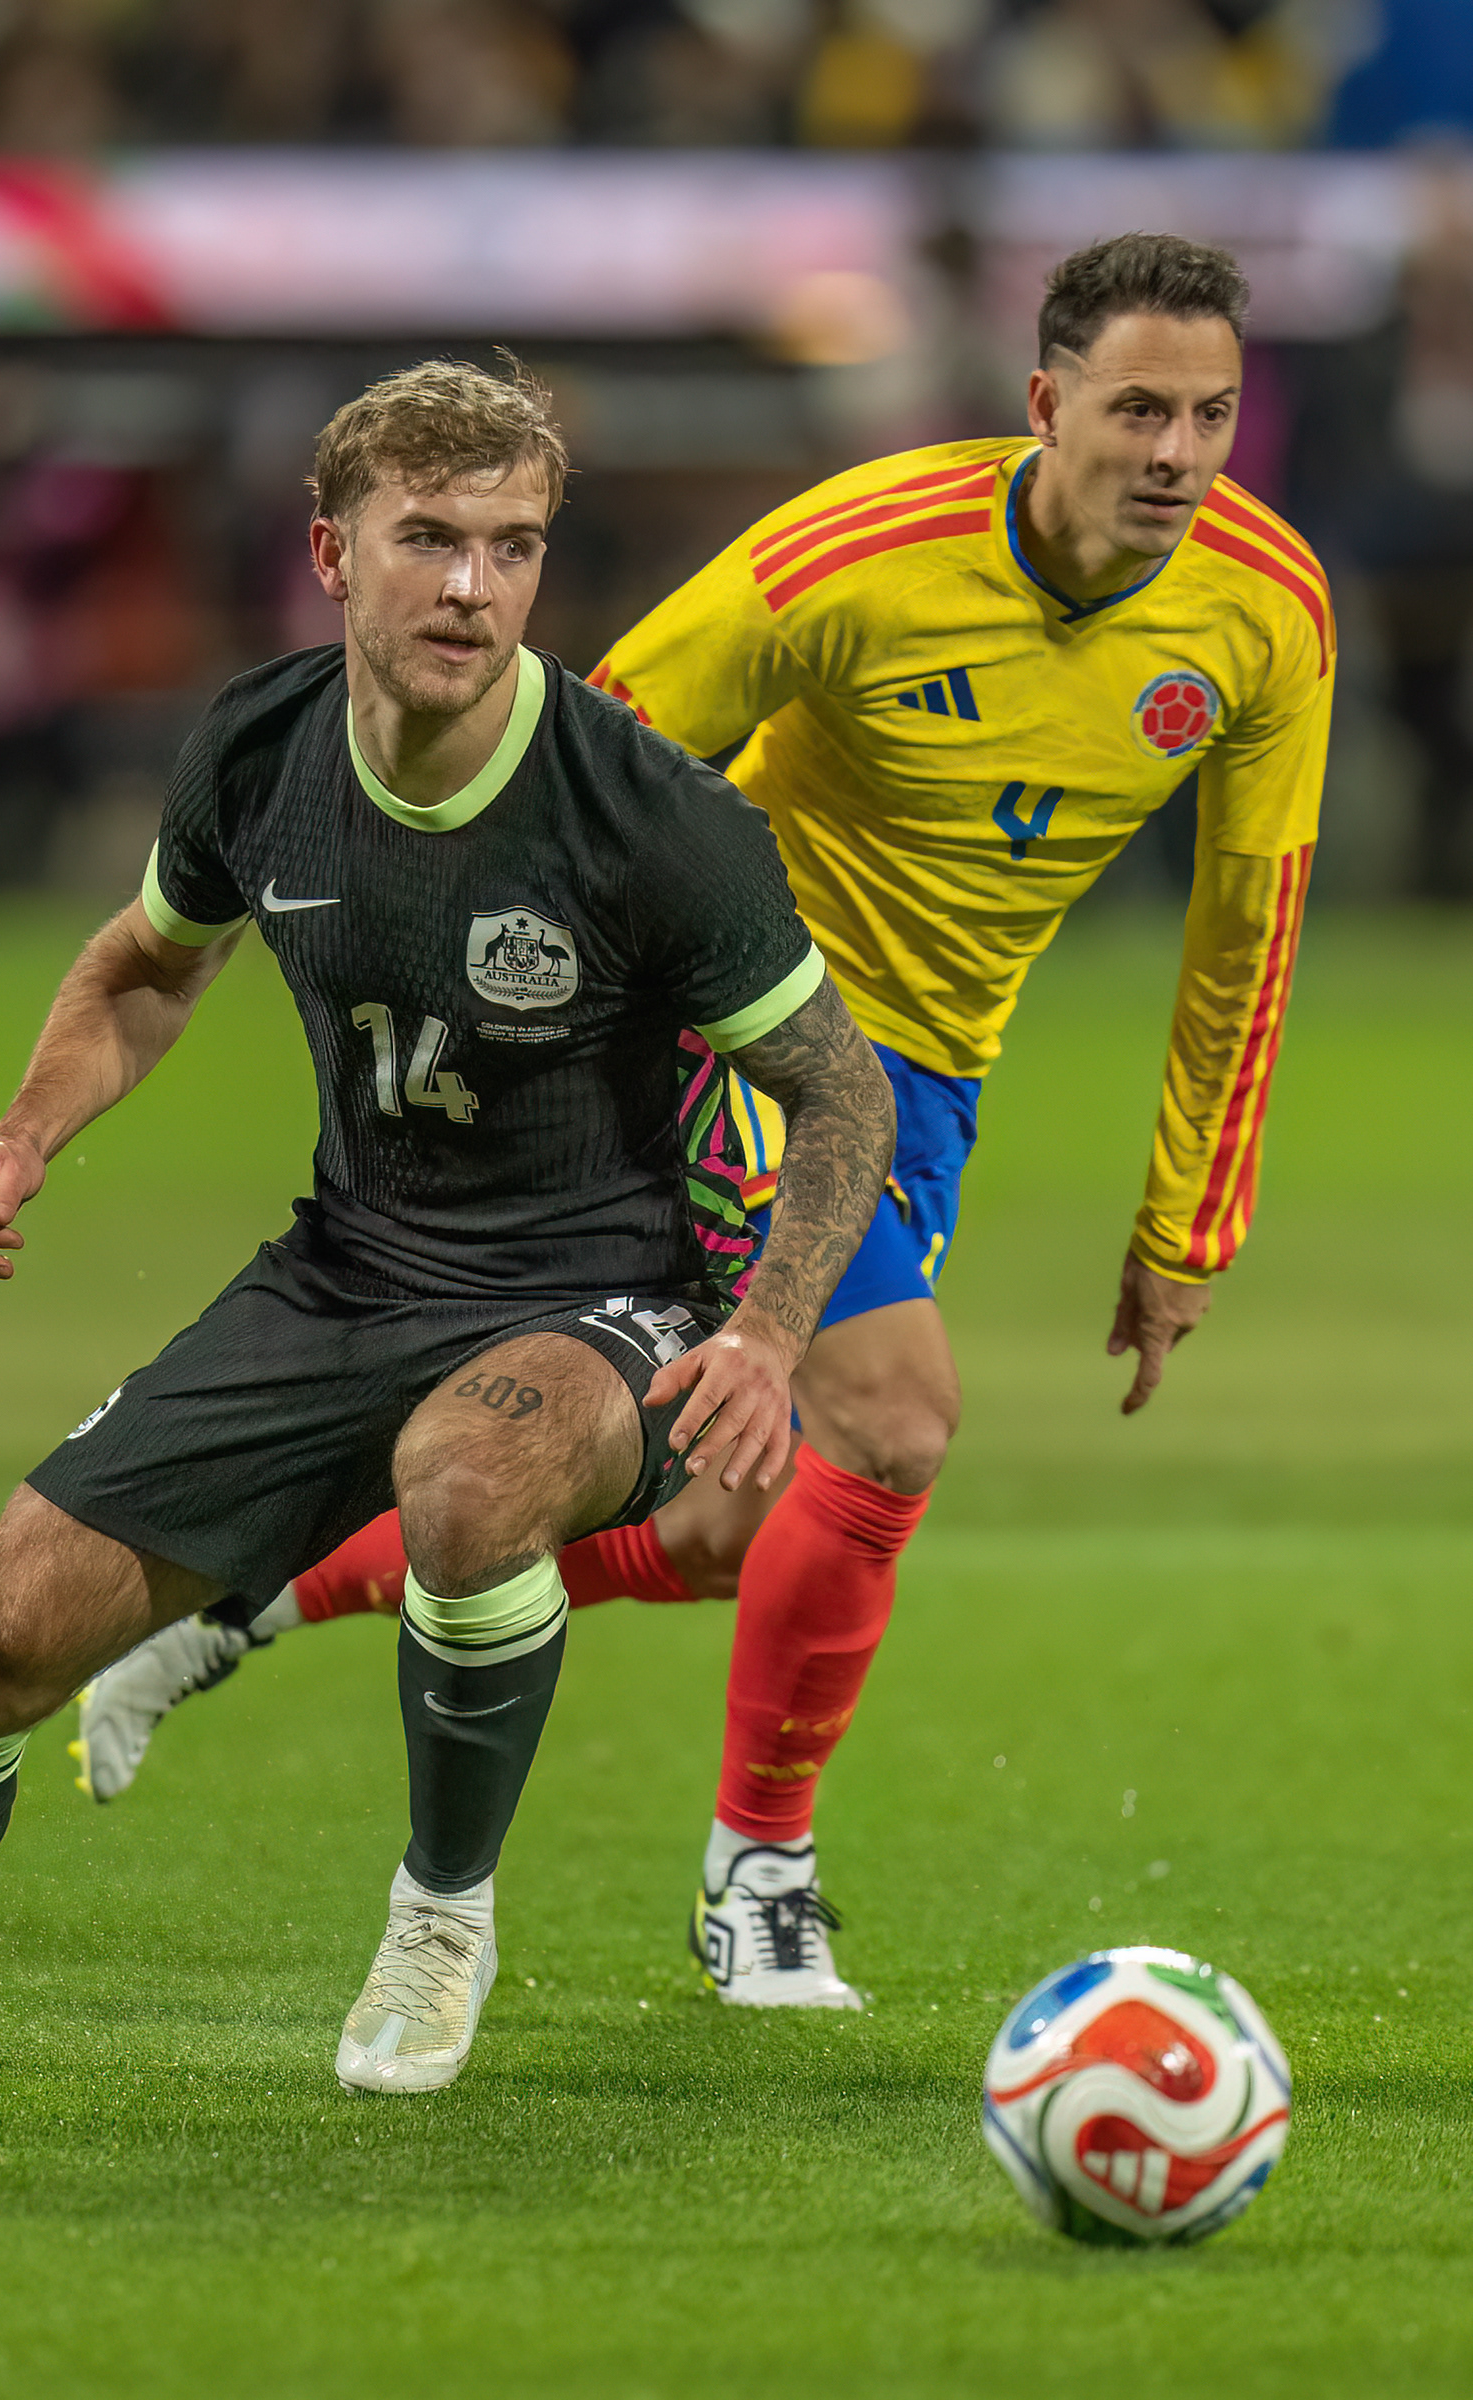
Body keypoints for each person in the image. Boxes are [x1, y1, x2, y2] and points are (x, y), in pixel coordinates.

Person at [80, 233, 1333, 2012]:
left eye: (1210, 415)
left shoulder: (1267, 610)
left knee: (731, 1528)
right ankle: (761, 1881)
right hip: (740, 1036)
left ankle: (259, 1593)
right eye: (1139, 409)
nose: (1179, 455)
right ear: (1047, 403)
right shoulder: (855, 559)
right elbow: (591, 741)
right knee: (893, 1424)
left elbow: (1250, 925)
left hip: (933, 1082)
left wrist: (1189, 1219)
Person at [0, 358, 894, 2092]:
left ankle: (440, 1922)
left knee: (467, 1484)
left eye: (514, 547)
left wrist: (762, 1329)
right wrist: (25, 1135)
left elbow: (846, 1093)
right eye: (431, 539)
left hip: (598, 1295)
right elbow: (151, 966)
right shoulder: (258, 744)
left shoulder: (653, 817)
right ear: (333, 548)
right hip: (340, 1275)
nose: (473, 586)